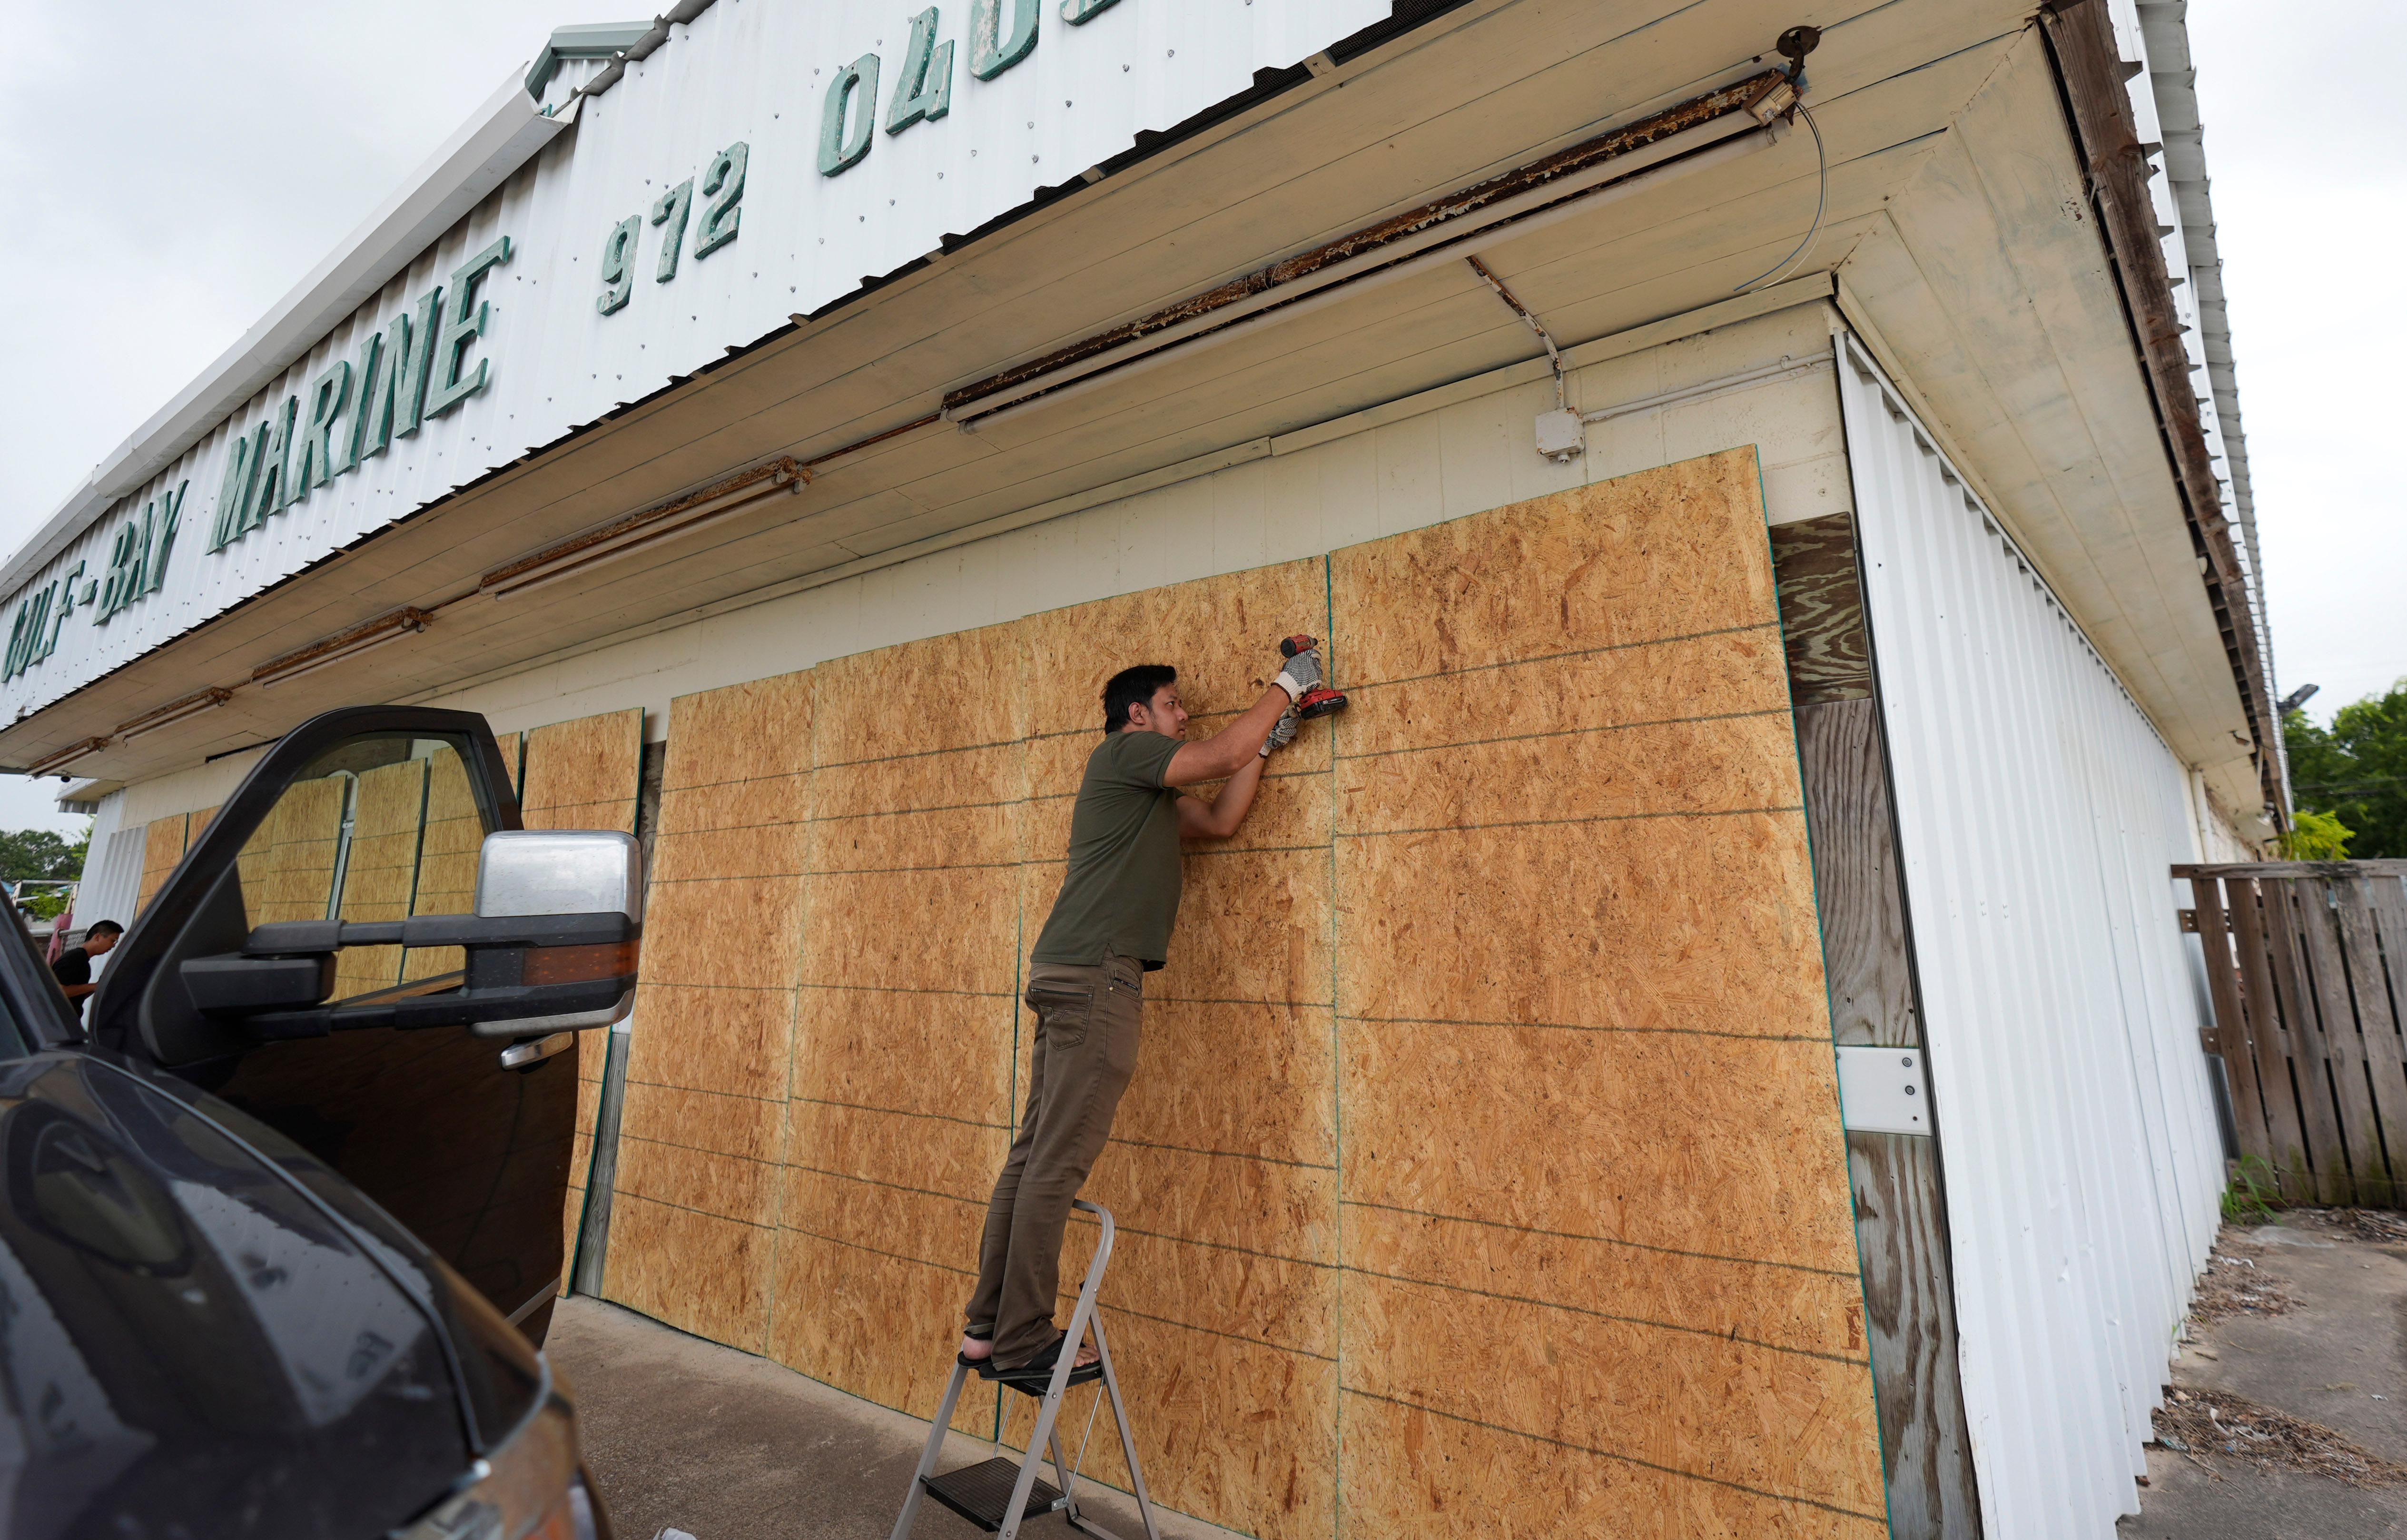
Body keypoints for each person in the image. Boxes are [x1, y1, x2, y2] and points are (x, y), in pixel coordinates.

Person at [959, 643, 1325, 1383]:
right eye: (1171, 706)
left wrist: (1266, 747)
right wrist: (1292, 684)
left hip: (1069, 971)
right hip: (1098, 978)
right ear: (1137, 716)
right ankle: (1025, 1338)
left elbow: (1220, 818)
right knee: (1054, 1166)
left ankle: (984, 1329)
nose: (1183, 715)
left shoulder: (1144, 794)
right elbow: (1220, 751)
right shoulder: (1123, 756)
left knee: (1032, 1156)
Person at [51, 918, 123, 1014]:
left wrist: (99, 986)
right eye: (113, 941)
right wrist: (95, 986)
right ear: (97, 937)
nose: (114, 946)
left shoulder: (83, 960)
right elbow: (57, 991)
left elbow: (76, 997)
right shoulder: (75, 958)